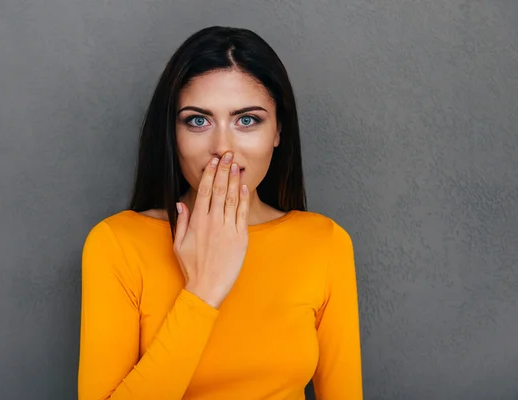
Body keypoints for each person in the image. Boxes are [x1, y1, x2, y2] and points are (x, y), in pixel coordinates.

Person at [77, 26, 363, 400]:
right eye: (198, 120)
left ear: (278, 131)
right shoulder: (116, 244)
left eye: (247, 120)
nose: (223, 148)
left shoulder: (325, 244)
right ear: (172, 134)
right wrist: (204, 290)